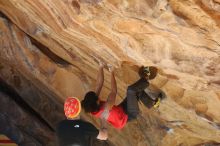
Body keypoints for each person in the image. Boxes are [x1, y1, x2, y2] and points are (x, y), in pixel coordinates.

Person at [81, 63, 165, 129]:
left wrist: (100, 66)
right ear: (97, 102)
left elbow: (98, 85)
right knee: (131, 90)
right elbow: (114, 91)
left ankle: (153, 103)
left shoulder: (91, 106)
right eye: (97, 97)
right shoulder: (106, 108)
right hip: (129, 114)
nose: (97, 95)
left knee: (136, 93)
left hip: (121, 111)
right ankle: (146, 76)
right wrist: (112, 72)